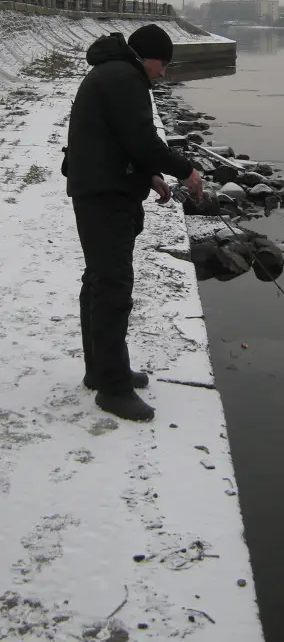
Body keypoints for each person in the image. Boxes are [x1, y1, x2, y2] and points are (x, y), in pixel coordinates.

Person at [66, 24, 203, 422]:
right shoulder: (125, 77)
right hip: (103, 196)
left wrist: (147, 176)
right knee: (112, 287)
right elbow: (142, 139)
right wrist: (186, 171)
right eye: (164, 64)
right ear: (148, 57)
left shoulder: (114, 72)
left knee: (99, 280)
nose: (163, 73)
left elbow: (118, 140)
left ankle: (102, 370)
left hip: (100, 188)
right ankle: (113, 389)